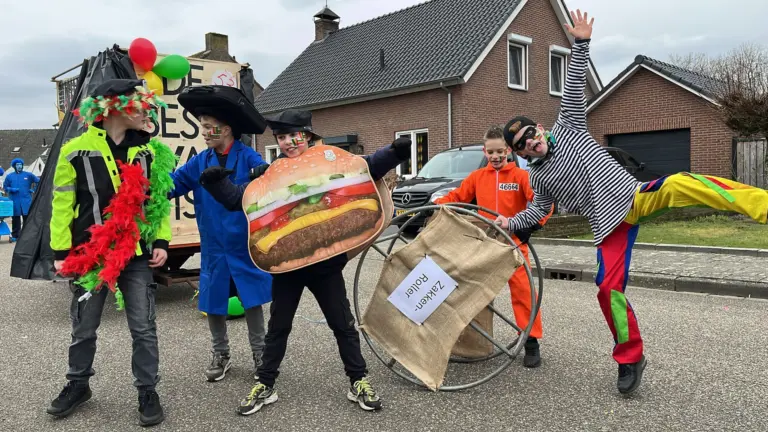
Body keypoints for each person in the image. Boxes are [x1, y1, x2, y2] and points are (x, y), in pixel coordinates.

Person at [496, 9, 768, 395]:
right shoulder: (537, 178)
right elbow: (538, 210)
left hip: (634, 197)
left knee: (683, 183)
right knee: (607, 289)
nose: (529, 142)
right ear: (519, 152)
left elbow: (573, 84)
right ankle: (630, 358)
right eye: (521, 144)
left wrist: (581, 42)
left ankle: (762, 206)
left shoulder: (569, 126)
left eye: (530, 134)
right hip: (609, 227)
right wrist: (510, 223)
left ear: (540, 128)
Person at [199, 109, 412, 415]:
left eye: (293, 135)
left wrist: (395, 153)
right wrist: (217, 184)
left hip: (325, 265)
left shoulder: (329, 160)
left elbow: (365, 167)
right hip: (287, 266)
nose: (288, 142)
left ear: (308, 136)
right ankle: (265, 383)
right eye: (281, 137)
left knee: (343, 325)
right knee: (278, 328)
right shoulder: (272, 172)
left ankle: (358, 380)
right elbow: (239, 200)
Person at [47, 79, 173, 426]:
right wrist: (60, 250)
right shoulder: (75, 150)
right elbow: (62, 204)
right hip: (90, 255)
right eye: (139, 104)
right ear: (114, 107)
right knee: (84, 327)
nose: (146, 111)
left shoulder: (148, 152)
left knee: (143, 327)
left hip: (135, 255)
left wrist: (161, 241)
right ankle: (78, 384)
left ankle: (147, 390)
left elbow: (158, 201)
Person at [170, 85, 273, 382]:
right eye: (201, 126)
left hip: (244, 243)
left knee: (251, 299)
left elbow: (266, 181)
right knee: (213, 300)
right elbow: (173, 184)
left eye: (207, 126)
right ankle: (221, 353)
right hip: (214, 245)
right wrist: (143, 188)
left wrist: (264, 174)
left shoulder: (248, 156)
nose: (203, 132)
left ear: (225, 129)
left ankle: (261, 354)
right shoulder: (200, 161)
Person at [432, 125, 551, 368]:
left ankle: (531, 342)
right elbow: (457, 197)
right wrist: (436, 204)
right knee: (472, 289)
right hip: (485, 245)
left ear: (508, 150)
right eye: (491, 152)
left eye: (500, 151)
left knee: (524, 292)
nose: (495, 156)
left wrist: (531, 226)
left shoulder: (521, 176)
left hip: (514, 244)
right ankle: (470, 340)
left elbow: (543, 202)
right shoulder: (477, 177)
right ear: (484, 152)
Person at [3, 158, 40, 242]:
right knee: (15, 220)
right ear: (14, 166)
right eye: (17, 165)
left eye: (20, 164)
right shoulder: (9, 176)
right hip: (14, 201)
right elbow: (5, 187)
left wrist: (34, 190)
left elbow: (39, 181)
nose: (19, 166)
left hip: (26, 201)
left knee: (27, 219)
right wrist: (11, 189)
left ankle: (28, 236)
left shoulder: (28, 175)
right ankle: (16, 236)